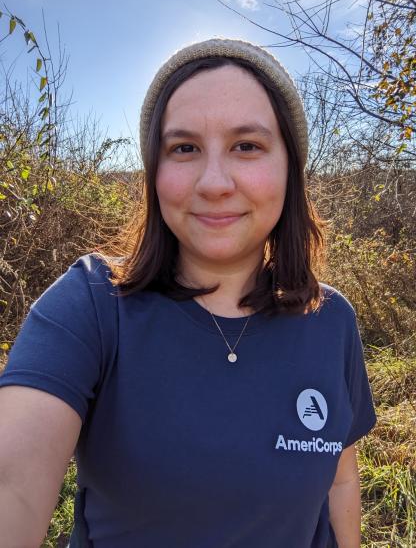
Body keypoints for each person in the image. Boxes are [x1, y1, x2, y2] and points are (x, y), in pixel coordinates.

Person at [0, 38, 376, 548]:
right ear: (154, 173)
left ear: (291, 166)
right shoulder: (91, 304)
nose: (215, 182)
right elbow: (12, 484)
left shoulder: (330, 320)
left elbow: (339, 479)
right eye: (184, 148)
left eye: (247, 146)